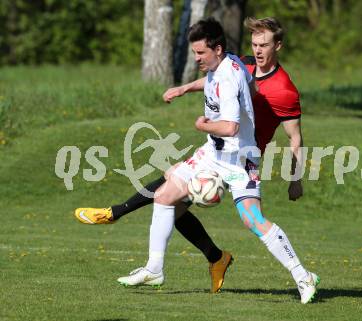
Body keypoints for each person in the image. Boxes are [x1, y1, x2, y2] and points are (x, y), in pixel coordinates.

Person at [74, 17, 315, 301]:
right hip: (213, 153)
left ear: (218, 49)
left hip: (240, 159)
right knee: (165, 197)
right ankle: (155, 269)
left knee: (253, 219)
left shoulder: (255, 83)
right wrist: (184, 88)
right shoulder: (237, 62)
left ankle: (303, 276)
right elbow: (244, 86)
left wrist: (202, 125)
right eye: (255, 43)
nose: (197, 58)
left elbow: (231, 127)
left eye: (201, 53)